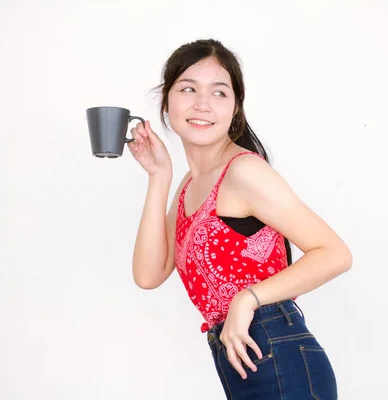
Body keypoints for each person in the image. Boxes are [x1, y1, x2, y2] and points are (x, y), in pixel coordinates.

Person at [127, 38, 352, 400]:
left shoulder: (243, 171)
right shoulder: (190, 183)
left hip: (279, 356)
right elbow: (149, 274)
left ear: (235, 109)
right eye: (188, 89)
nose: (202, 104)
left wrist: (246, 299)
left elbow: (334, 253)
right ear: (166, 103)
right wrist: (159, 177)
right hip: (243, 363)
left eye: (219, 93)